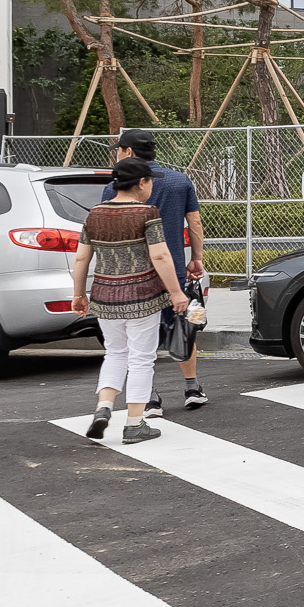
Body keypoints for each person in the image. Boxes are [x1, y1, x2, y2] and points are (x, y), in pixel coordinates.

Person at [71, 157, 189, 444]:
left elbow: (81, 257)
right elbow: (160, 256)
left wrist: (78, 294)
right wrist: (176, 292)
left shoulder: (94, 214)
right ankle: (134, 424)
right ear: (140, 183)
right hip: (142, 297)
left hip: (104, 297)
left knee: (114, 353)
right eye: (149, 180)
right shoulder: (147, 213)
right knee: (141, 359)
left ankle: (104, 408)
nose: (151, 185)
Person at [102, 130, 209, 414]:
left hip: (135, 276)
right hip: (173, 269)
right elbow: (195, 223)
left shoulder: (117, 185)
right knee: (183, 327)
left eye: (120, 150)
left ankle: (149, 397)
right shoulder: (179, 180)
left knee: (139, 339)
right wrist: (196, 259)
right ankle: (192, 386)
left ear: (129, 153)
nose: (117, 154)